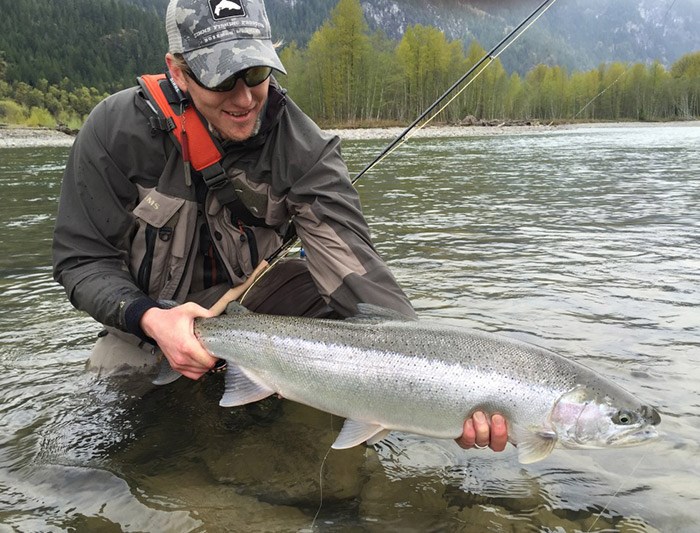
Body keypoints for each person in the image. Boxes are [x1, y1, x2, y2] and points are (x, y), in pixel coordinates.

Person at [52, 0, 507, 452]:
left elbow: (355, 270)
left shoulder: (303, 149)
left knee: (320, 292)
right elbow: (82, 260)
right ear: (178, 71)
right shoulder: (115, 133)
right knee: (103, 444)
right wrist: (150, 318)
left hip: (254, 311)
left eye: (255, 73)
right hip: (143, 323)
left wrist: (435, 393)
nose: (244, 97)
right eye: (221, 76)